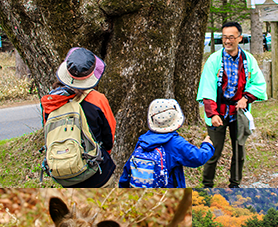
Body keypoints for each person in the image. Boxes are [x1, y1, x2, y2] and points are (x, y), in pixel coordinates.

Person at [197, 21, 267, 188]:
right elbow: (207, 88)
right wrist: (212, 114)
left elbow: (258, 83)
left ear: (239, 38)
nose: (227, 41)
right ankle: (207, 186)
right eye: (224, 37)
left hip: (238, 113)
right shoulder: (214, 60)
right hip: (218, 112)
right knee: (213, 152)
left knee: (239, 152)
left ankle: (235, 185)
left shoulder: (248, 60)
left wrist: (246, 98)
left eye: (231, 37)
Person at [41, 47, 116, 187]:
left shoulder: (51, 102)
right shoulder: (97, 100)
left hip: (65, 172)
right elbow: (109, 138)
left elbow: (48, 135)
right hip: (98, 173)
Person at [119, 99, 215, 188]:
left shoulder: (143, 140)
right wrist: (207, 145)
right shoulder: (176, 143)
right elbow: (198, 158)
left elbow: (128, 170)